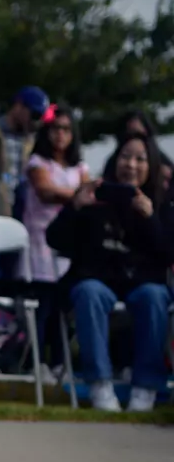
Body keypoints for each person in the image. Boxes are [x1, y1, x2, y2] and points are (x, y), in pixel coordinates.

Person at [46, 133, 174, 412]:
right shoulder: (95, 200)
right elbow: (54, 240)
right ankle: (99, 385)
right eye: (125, 157)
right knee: (89, 291)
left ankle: (146, 387)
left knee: (155, 296)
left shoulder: (161, 206)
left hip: (141, 283)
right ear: (115, 161)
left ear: (150, 165)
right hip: (98, 280)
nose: (131, 165)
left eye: (140, 159)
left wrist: (150, 218)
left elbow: (168, 253)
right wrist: (76, 206)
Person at [22, 104, 89, 376]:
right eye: (55, 129)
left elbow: (88, 190)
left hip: (67, 244)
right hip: (40, 241)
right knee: (42, 305)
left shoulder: (79, 166)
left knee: (61, 306)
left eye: (66, 129)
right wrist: (79, 196)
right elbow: (46, 191)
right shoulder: (37, 162)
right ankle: (34, 363)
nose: (60, 135)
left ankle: (60, 362)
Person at [0, 86, 50, 215]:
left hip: (23, 205)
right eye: (34, 115)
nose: (36, 121)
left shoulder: (32, 137)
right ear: (18, 106)